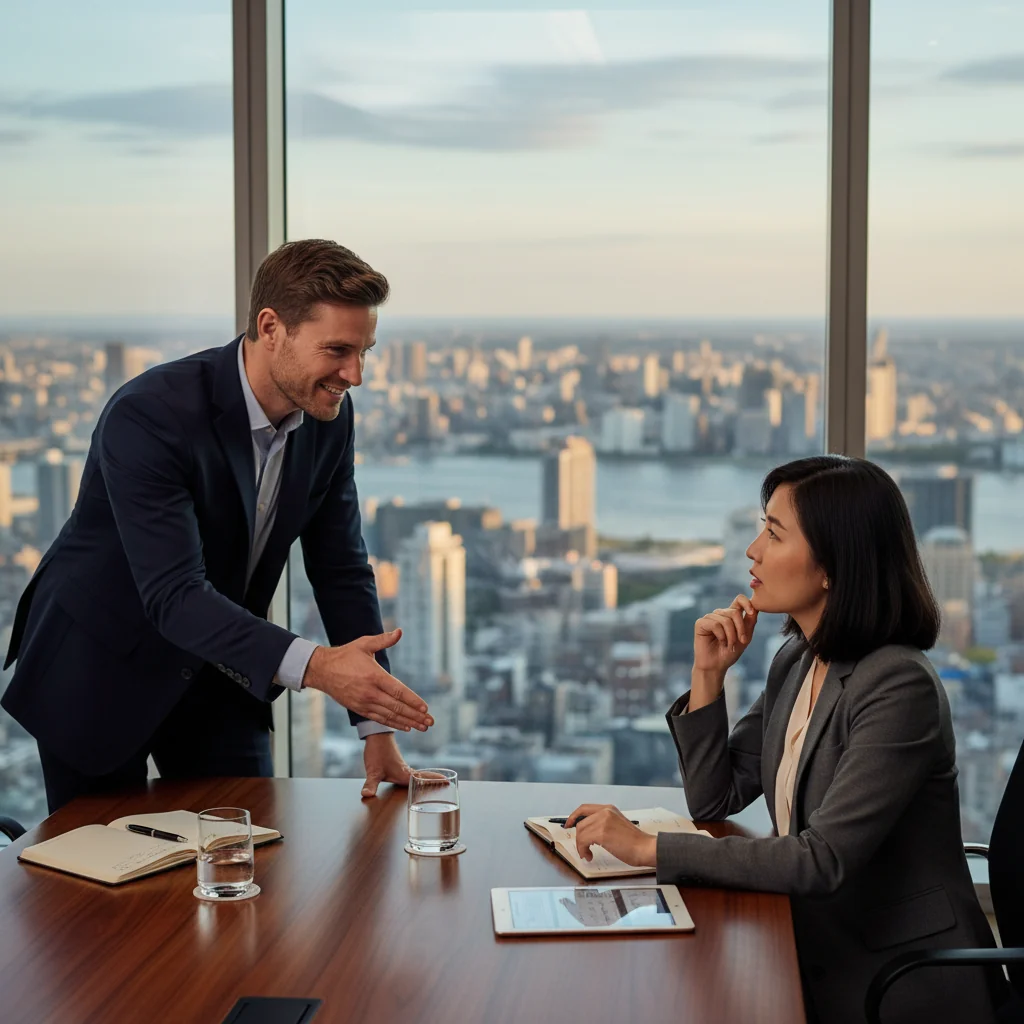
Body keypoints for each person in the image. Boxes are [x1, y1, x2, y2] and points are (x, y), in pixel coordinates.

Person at [563, 455, 1004, 1024]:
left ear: (832, 567)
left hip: (895, 978)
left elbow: (820, 860)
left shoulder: (898, 686)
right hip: (804, 939)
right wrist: (708, 677)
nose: (753, 550)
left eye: (773, 533)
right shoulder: (798, 658)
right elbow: (714, 799)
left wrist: (649, 847)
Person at [2, 239, 433, 814]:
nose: (355, 374)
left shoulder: (329, 417)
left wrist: (375, 729)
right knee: (104, 885)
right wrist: (318, 668)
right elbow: (175, 595)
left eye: (364, 351)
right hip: (101, 666)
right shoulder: (151, 414)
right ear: (271, 326)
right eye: (337, 350)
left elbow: (341, 566)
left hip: (221, 665)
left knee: (249, 856)